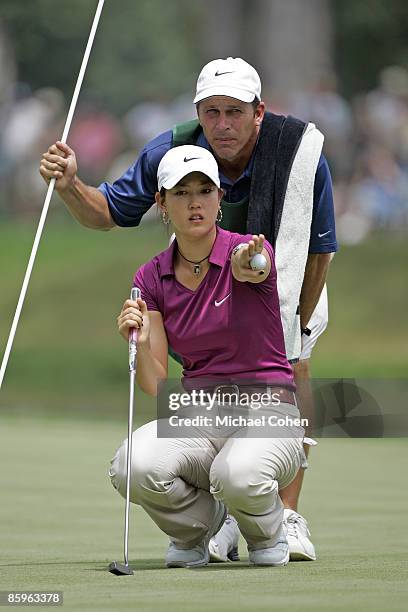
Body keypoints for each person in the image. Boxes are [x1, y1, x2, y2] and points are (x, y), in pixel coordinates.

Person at [39, 57, 338, 561]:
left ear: (258, 112)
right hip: (192, 275)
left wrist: (294, 320)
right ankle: (212, 518)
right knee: (198, 399)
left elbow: (319, 249)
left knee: (292, 359)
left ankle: (283, 516)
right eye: (212, 113)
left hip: (279, 266)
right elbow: (108, 212)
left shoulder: (301, 154)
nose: (223, 124)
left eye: (235, 113)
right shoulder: (168, 153)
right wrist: (70, 183)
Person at [109, 144, 307, 568]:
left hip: (269, 411)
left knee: (237, 474)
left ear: (220, 199)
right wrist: (141, 340)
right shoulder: (150, 276)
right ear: (161, 203)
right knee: (133, 465)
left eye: (204, 190)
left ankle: (267, 531)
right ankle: (202, 529)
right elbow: (154, 383)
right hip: (199, 414)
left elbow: (253, 263)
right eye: (180, 193)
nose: (194, 202)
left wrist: (248, 261)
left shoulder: (249, 250)